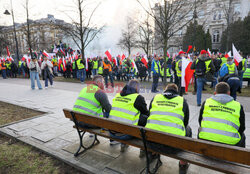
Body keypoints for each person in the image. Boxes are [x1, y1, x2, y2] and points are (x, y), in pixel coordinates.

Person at [145, 83, 191, 171]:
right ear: (176, 91)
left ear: (165, 90)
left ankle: (153, 154)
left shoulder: (155, 98)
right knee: (188, 129)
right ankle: (183, 164)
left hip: (152, 143)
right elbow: (185, 122)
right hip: (174, 146)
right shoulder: (182, 100)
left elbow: (150, 114)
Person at [198, 82, 245, 148]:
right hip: (230, 144)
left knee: (200, 129)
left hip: (206, 140)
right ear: (229, 93)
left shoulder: (206, 102)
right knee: (242, 136)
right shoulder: (238, 106)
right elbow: (242, 127)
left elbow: (200, 121)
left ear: (215, 93)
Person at [109, 80, 149, 152]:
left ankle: (123, 144)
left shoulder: (118, 95)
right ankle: (143, 149)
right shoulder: (138, 97)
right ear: (137, 88)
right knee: (145, 119)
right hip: (125, 134)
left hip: (112, 132)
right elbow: (146, 113)